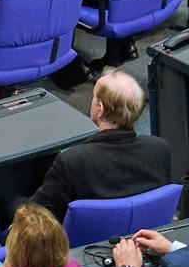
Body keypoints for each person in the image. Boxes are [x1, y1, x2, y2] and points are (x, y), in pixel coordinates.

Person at [29, 71, 172, 217]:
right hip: (145, 235)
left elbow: (37, 215)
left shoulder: (73, 161)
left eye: (94, 97)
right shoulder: (159, 149)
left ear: (100, 109)